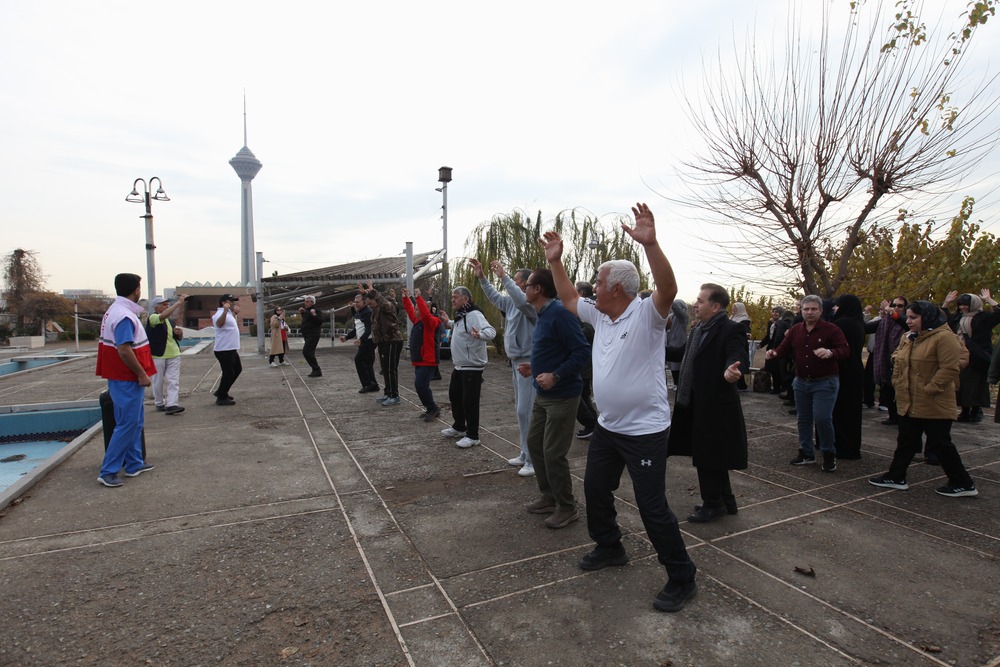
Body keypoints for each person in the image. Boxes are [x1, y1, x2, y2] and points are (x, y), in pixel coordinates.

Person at [542, 202, 698, 614]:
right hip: (610, 428)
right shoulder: (601, 316)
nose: (593, 285)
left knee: (652, 506)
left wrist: (651, 244)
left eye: (600, 279)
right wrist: (555, 262)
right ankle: (610, 547)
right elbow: (568, 296)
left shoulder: (646, 313)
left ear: (619, 287)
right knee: (595, 490)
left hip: (645, 431)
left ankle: (682, 576)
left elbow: (668, 288)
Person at [870, 301, 978, 497]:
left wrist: (931, 388)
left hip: (933, 400)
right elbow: (897, 358)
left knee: (940, 443)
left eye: (913, 317)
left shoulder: (943, 338)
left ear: (926, 317)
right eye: (908, 317)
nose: (908, 321)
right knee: (906, 441)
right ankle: (896, 476)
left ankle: (963, 482)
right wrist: (897, 381)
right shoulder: (910, 337)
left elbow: (950, 368)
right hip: (910, 400)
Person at [666, 283, 748, 523]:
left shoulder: (730, 329)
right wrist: (654, 349)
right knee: (712, 454)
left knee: (708, 455)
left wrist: (733, 369)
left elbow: (738, 354)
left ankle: (713, 504)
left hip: (715, 405)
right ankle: (726, 500)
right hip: (696, 402)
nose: (696, 304)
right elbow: (682, 353)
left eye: (701, 301)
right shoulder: (699, 329)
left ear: (715, 306)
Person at [518, 269, 591, 529]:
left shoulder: (559, 313)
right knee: (534, 444)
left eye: (526, 285)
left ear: (538, 289)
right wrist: (534, 368)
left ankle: (567, 507)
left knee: (553, 452)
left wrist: (556, 376)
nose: (523, 288)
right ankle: (549, 497)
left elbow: (582, 350)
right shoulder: (544, 314)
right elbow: (553, 349)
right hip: (543, 394)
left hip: (562, 395)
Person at [766, 295, 849, 471]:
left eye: (813, 309)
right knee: (803, 419)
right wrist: (773, 354)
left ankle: (828, 453)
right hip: (801, 382)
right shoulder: (796, 330)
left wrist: (830, 352)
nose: (809, 312)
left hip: (825, 382)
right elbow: (783, 348)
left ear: (820, 311)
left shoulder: (831, 329)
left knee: (822, 418)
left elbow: (845, 350)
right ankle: (806, 453)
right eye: (806, 309)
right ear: (801, 311)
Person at [472, 258, 538, 476]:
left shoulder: (529, 304)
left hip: (528, 362)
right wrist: (482, 277)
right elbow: (494, 297)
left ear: (526, 285)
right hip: (515, 362)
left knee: (526, 411)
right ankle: (524, 453)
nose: (514, 285)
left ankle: (532, 459)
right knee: (521, 411)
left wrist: (504, 276)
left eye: (518, 281)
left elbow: (520, 299)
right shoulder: (511, 302)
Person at [96, 273, 157, 487]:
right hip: (126, 377)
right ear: (136, 290)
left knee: (134, 421)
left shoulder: (116, 311)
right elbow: (124, 349)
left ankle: (134, 463)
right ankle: (109, 470)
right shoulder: (123, 315)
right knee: (127, 423)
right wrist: (141, 373)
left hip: (123, 377)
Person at [438, 286, 496, 448]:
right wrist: (448, 322)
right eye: (452, 297)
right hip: (460, 367)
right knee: (455, 397)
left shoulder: (475, 315)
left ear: (466, 299)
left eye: (456, 297)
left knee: (470, 401)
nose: (453, 300)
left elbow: (491, 332)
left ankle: (473, 435)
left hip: (472, 367)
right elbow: (461, 328)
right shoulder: (461, 315)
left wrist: (480, 335)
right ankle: (459, 426)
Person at [943, 289, 1000, 423]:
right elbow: (946, 321)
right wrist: (946, 303)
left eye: (965, 304)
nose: (962, 307)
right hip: (961, 355)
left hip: (978, 356)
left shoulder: (983, 318)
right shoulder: (959, 318)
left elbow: (999, 314)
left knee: (975, 385)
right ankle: (964, 411)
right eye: (960, 304)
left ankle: (976, 410)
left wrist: (988, 299)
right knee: (962, 384)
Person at [831, 294, 865, 459]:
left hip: (842, 371)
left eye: (837, 306)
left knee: (841, 411)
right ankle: (851, 447)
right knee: (852, 413)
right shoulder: (858, 322)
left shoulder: (841, 324)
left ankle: (842, 447)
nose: (834, 309)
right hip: (855, 370)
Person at [401, 287, 442, 421]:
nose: (416, 311)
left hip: (428, 360)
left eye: (418, 309)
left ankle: (433, 408)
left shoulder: (432, 321)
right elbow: (409, 310)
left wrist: (419, 298)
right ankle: (430, 408)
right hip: (420, 360)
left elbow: (425, 314)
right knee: (421, 385)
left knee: (420, 385)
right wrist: (405, 298)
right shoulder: (418, 320)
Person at [869, 297, 909, 425]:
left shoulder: (908, 321)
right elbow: (867, 327)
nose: (896, 308)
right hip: (885, 360)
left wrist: (891, 312)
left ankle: (901, 416)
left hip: (902, 361)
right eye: (894, 305)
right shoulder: (885, 321)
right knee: (887, 389)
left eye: (900, 306)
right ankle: (893, 416)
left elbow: (904, 323)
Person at [147, 294, 188, 415]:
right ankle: (159, 402)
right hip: (159, 354)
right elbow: (162, 316)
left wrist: (179, 334)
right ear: (156, 308)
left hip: (173, 353)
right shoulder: (153, 318)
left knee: (173, 380)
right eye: (164, 305)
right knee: (158, 380)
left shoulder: (170, 321)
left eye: (167, 304)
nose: (166, 306)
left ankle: (172, 404)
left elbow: (176, 337)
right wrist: (178, 303)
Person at [366, 285, 405, 406]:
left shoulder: (388, 307)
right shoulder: (377, 310)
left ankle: (394, 395)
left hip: (393, 340)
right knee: (385, 369)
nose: (370, 306)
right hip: (384, 341)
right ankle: (388, 392)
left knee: (390, 369)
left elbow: (383, 303)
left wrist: (374, 292)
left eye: (371, 303)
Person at [340, 293, 379, 393]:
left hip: (369, 341)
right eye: (355, 302)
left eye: (358, 302)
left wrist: (361, 339)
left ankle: (367, 384)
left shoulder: (367, 312)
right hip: (365, 340)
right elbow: (357, 328)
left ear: (364, 302)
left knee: (359, 360)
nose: (356, 304)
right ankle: (373, 384)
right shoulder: (359, 312)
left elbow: (369, 328)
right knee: (368, 362)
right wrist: (347, 337)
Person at [575, 281, 599, 439]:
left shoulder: (588, 307)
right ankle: (594, 425)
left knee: (579, 396)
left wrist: (572, 334)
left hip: (585, 360)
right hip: (587, 360)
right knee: (583, 395)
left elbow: (589, 329)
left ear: (582, 293)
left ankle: (592, 424)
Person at [212, 294, 242, 406]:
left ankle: (222, 391)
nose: (233, 303)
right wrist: (225, 311)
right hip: (224, 349)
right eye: (230, 301)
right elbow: (219, 324)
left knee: (237, 369)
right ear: (223, 302)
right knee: (228, 373)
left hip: (231, 348)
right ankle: (221, 396)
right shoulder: (219, 314)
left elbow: (228, 326)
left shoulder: (229, 314)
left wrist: (234, 314)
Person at [759, 307, 789, 395]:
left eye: (777, 312)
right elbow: (769, 336)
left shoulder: (784, 323)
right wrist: (761, 344)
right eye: (773, 312)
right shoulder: (771, 323)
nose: (775, 313)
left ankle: (780, 388)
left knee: (779, 369)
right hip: (771, 347)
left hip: (779, 348)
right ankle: (776, 387)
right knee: (771, 369)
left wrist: (777, 348)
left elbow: (782, 337)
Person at [664, 298, 689, 388]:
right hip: (670, 342)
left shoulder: (683, 316)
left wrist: (670, 299)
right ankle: (675, 383)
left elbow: (678, 310)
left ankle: (678, 383)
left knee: (677, 365)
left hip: (679, 343)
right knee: (671, 365)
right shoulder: (671, 316)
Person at [298, 295, 324, 378]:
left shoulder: (316, 310)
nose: (305, 303)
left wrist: (314, 314)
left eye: (307, 301)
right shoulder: (307, 311)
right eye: (305, 301)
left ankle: (317, 369)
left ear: (312, 302)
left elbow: (319, 321)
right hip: (307, 334)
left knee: (307, 352)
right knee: (309, 352)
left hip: (313, 334)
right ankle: (315, 370)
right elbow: (308, 321)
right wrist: (302, 313)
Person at [729, 302, 752, 391]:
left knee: (741, 362)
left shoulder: (744, 320)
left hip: (740, 344)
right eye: (733, 308)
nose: (733, 310)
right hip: (732, 343)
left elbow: (745, 331)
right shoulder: (732, 318)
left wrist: (746, 333)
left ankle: (743, 385)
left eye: (735, 308)